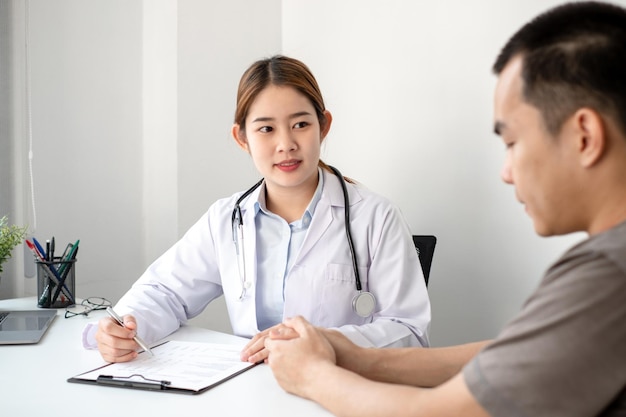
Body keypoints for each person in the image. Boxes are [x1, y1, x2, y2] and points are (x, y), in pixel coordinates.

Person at [264, 2, 626, 416]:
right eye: (266, 128)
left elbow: (441, 412)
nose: (506, 173)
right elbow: (522, 354)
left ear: (584, 137)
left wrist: (311, 374)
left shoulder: (608, 273)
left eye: (511, 143)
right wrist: (358, 357)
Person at [87, 55, 431, 363]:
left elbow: (410, 333)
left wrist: (325, 342)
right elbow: (165, 291)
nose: (286, 144)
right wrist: (125, 327)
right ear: (242, 138)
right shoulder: (226, 219)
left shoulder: (374, 217)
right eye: (266, 128)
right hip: (252, 392)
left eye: (301, 124)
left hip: (340, 392)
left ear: (323, 125)